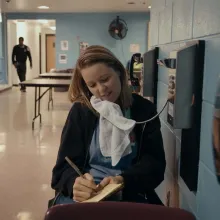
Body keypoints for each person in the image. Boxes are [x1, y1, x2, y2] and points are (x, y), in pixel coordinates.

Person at [50, 45, 166, 206]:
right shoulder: (81, 112)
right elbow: (61, 170)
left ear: (119, 71)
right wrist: (73, 183)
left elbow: (155, 166)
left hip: (129, 192)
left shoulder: (144, 110)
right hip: (86, 199)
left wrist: (124, 181)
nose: (101, 89)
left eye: (105, 79)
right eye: (92, 85)